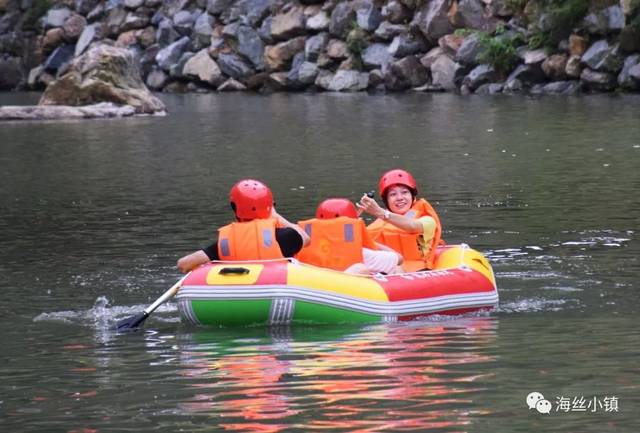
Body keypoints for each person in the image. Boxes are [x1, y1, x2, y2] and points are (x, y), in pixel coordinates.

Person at [177, 179, 310, 272]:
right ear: (270, 207)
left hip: (238, 296)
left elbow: (183, 264)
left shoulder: (225, 243)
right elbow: (305, 237)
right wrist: (274, 214)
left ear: (234, 207)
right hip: (276, 294)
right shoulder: (286, 236)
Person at [357, 169, 443, 272]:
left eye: (404, 192)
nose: (399, 198)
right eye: (393, 194)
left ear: (413, 196)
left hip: (416, 272)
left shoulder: (428, 220)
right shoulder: (377, 226)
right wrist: (353, 222)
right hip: (385, 271)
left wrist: (381, 213)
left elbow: (412, 226)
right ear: (387, 201)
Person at [297, 198, 403, 275]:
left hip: (312, 287)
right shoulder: (363, 253)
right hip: (344, 295)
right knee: (397, 269)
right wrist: (368, 241)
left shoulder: (302, 248)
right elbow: (399, 258)